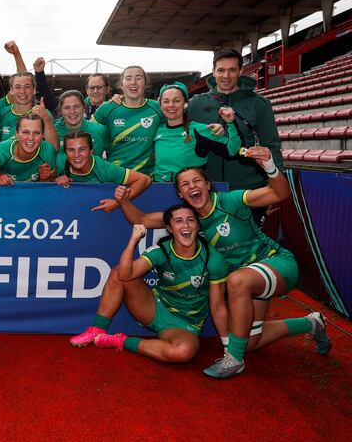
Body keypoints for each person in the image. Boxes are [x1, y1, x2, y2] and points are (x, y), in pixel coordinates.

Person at [116, 158, 331, 378]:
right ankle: (310, 323)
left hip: (276, 263)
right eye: (185, 184)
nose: (192, 187)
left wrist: (269, 165)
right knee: (249, 342)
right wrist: (124, 202)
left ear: (208, 184)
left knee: (236, 281)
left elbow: (279, 194)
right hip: (248, 282)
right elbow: (141, 218)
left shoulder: (232, 200)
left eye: (197, 181)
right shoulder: (188, 219)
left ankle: (234, 360)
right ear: (180, 194)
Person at [70, 205, 229, 364]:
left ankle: (120, 341)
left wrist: (228, 347)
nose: (185, 225)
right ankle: (97, 330)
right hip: (153, 308)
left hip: (185, 323)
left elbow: (218, 306)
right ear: (170, 228)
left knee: (183, 352)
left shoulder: (213, 259)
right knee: (118, 273)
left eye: (190, 220)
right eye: (178, 221)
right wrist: (133, 241)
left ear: (197, 225)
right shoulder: (161, 250)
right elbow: (124, 274)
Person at [188, 48, 283, 225]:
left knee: (247, 249)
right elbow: (168, 116)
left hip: (249, 190)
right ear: (213, 71)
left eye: (232, 70)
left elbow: (272, 146)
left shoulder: (259, 104)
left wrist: (275, 189)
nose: (226, 75)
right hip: (207, 192)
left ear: (240, 71)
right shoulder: (196, 103)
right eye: (221, 70)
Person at [153, 82, 240, 183]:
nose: (171, 105)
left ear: (185, 104)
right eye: (166, 101)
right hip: (158, 189)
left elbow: (232, 150)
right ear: (160, 105)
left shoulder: (199, 130)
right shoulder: (158, 130)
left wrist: (231, 123)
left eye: (177, 101)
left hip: (190, 192)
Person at [55, 130, 151, 213]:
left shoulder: (104, 168)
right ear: (66, 153)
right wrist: (55, 180)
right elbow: (43, 184)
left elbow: (145, 179)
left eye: (82, 149)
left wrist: (117, 203)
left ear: (91, 151)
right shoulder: (59, 162)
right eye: (71, 150)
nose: (76, 155)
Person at [93, 65, 162, 176]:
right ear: (122, 84)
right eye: (128, 78)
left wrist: (159, 149)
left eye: (138, 78)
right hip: (116, 175)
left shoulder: (158, 108)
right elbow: (87, 133)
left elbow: (171, 130)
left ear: (145, 83)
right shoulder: (108, 108)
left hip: (148, 177)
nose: (133, 82)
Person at [0, 72, 58, 146]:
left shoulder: (43, 113)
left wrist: (45, 118)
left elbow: (54, 147)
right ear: (11, 90)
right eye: (18, 87)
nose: (22, 91)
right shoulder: (3, 113)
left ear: (34, 90)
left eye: (27, 87)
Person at [0, 114, 57, 184]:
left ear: (43, 135)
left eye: (37, 133)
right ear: (16, 134)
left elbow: (52, 184)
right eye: (25, 132)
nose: (31, 138)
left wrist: (45, 179)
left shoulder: (47, 151)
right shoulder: (0, 151)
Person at [53, 90, 109, 156]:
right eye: (67, 108)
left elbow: (118, 150)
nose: (72, 111)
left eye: (76, 106)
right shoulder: (53, 132)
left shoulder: (99, 130)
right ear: (61, 111)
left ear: (84, 108)